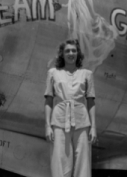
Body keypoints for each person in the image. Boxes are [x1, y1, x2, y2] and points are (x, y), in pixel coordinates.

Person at [44, 39, 96, 177]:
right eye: (67, 51)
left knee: (83, 164)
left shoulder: (87, 74)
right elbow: (49, 100)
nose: (71, 53)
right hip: (60, 121)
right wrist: (48, 126)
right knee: (60, 163)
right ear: (62, 54)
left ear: (78, 53)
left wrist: (94, 128)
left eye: (74, 50)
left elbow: (91, 102)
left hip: (82, 121)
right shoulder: (53, 73)